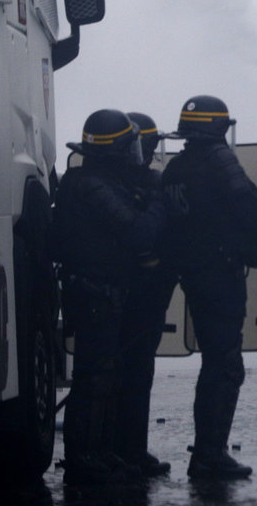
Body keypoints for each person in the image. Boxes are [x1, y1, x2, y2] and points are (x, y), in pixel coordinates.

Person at [53, 109, 167, 486]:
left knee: (105, 374)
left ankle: (100, 452)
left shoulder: (90, 180)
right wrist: (158, 201)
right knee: (94, 377)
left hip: (100, 290)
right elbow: (138, 233)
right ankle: (84, 456)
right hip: (95, 292)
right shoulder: (92, 185)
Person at [161, 96, 257, 479]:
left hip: (193, 272)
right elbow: (253, 206)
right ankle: (209, 454)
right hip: (219, 273)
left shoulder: (175, 166)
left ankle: (207, 452)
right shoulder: (219, 160)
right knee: (224, 365)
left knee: (215, 361)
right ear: (219, 127)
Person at [111, 112, 176, 477]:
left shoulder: (101, 181)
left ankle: (111, 449)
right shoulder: (151, 185)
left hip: (117, 290)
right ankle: (129, 451)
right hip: (140, 292)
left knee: (115, 371)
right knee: (135, 372)